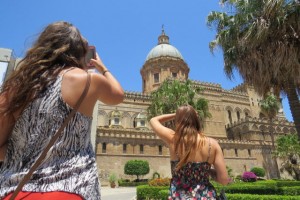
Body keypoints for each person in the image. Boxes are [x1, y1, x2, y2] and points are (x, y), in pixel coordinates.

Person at [0, 21, 124, 200]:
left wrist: (24, 150)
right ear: (81, 53)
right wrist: (102, 67)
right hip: (72, 190)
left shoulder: (16, 87)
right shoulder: (89, 81)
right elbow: (118, 95)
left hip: (17, 191)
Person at [150, 105, 229, 200]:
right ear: (196, 120)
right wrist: (209, 172)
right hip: (206, 196)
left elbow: (153, 120)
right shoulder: (213, 144)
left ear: (178, 120)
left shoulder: (174, 139)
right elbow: (224, 180)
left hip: (179, 196)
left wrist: (176, 115)